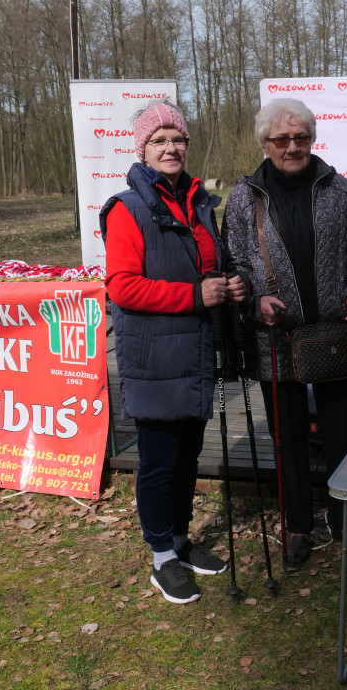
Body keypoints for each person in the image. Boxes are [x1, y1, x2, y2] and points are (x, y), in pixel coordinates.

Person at [100, 99, 248, 604]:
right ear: (142, 148)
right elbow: (122, 287)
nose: (171, 147)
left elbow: (211, 266)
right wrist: (194, 296)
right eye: (159, 139)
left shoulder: (200, 202)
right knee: (160, 462)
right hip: (155, 358)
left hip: (197, 352)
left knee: (187, 456)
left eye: (178, 138)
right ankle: (161, 555)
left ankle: (181, 542)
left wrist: (231, 285)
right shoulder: (128, 208)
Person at [222, 98, 347, 572]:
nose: (292, 147)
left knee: (344, 434)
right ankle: (298, 527)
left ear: (312, 139)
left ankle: (346, 517)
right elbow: (235, 266)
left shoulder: (340, 190)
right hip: (275, 339)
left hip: (335, 333)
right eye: (281, 139)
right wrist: (253, 301)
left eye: (301, 138)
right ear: (264, 144)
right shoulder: (242, 200)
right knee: (287, 439)